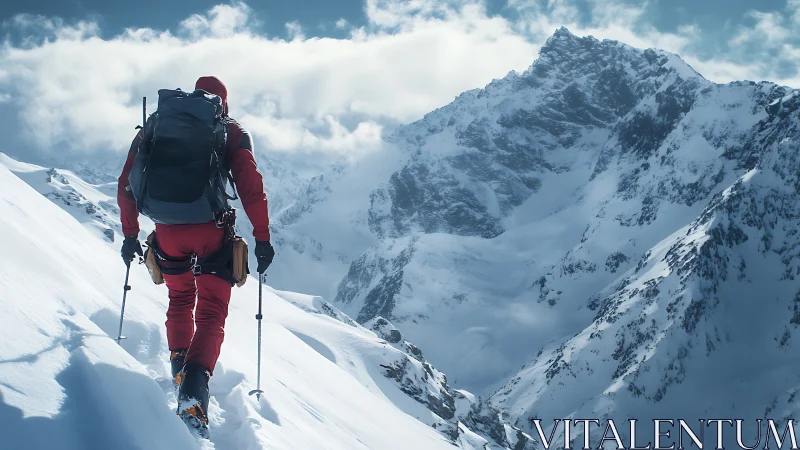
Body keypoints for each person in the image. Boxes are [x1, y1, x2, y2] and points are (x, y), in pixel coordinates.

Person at [117, 76, 275, 433]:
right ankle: (193, 393)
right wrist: (262, 238)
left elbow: (126, 183)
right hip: (210, 229)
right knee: (211, 313)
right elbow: (251, 186)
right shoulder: (229, 130)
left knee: (180, 298)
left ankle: (179, 372)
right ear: (223, 102)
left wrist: (130, 234)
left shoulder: (156, 125)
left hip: (167, 231)